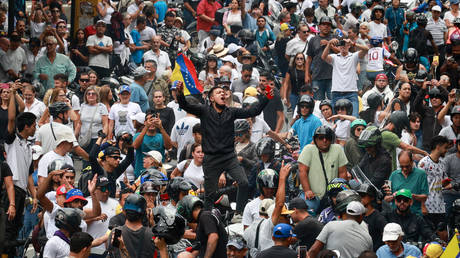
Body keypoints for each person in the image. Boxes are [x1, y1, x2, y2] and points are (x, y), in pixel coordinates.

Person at [176, 80, 270, 218]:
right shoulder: (204, 110)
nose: (223, 94)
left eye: (223, 92)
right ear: (211, 98)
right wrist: (180, 93)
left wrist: (265, 98)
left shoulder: (231, 112)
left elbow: (254, 110)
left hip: (229, 157)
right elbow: (185, 105)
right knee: (210, 194)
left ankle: (239, 213)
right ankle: (207, 218)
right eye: (218, 92)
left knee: (243, 183)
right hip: (211, 159)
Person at [298, 126, 348, 213]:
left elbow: (343, 173)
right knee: (307, 212)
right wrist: (307, 190)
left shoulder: (338, 149)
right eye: (321, 138)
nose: (324, 140)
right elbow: (302, 171)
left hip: (333, 194)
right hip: (312, 195)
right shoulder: (308, 149)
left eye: (327, 137)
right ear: (315, 139)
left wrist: (341, 193)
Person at [321, 38, 369, 117]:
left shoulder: (354, 56)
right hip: (337, 92)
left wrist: (353, 43)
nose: (343, 47)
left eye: (345, 45)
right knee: (337, 119)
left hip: (351, 92)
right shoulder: (334, 57)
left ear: (348, 46)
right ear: (338, 47)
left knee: (354, 118)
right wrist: (329, 44)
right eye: (341, 45)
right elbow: (323, 57)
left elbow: (366, 49)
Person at [308, 201, 373, 258]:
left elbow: (314, 250)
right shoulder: (367, 237)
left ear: (346, 213)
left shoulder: (331, 225)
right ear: (361, 216)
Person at [89, 133, 134, 198]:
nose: (118, 160)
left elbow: (129, 158)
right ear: (107, 158)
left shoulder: (115, 171)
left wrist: (129, 143)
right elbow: (92, 157)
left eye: (119, 158)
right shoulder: (99, 171)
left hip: (111, 204)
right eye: (115, 158)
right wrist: (101, 138)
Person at [418, 136, 450, 226]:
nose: (446, 150)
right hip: (428, 206)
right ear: (438, 147)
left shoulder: (442, 164)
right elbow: (419, 185)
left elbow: (441, 184)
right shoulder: (424, 163)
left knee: (442, 234)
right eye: (445, 147)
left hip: (440, 206)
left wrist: (447, 184)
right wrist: (422, 205)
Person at [386, 151, 429, 216]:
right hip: (397, 215)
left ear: (412, 162)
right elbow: (386, 198)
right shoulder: (393, 175)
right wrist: (394, 196)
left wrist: (412, 196)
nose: (404, 169)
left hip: (415, 214)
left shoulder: (421, 174)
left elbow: (425, 197)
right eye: (402, 166)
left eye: (407, 166)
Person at [132, 112, 172, 178]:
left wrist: (161, 127)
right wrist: (146, 127)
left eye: (154, 120)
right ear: (145, 122)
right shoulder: (138, 135)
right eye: (149, 120)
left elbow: (169, 147)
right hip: (141, 172)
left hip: (158, 174)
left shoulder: (162, 136)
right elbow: (136, 146)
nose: (152, 122)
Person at [305, 16, 335, 100]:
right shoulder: (313, 40)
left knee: (333, 102)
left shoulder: (335, 38)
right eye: (323, 24)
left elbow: (341, 53)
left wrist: (329, 44)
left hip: (332, 76)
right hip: (317, 76)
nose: (326, 26)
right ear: (319, 26)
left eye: (328, 25)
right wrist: (307, 74)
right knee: (318, 102)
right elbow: (309, 58)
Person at [357, 183, 387, 251]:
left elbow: (386, 237)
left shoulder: (378, 218)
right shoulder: (357, 215)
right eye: (359, 195)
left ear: (372, 197)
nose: (361, 198)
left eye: (363, 195)